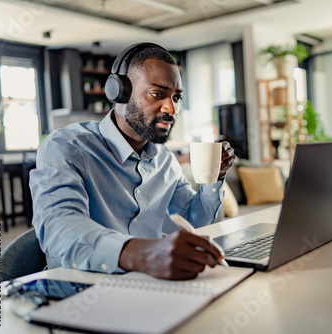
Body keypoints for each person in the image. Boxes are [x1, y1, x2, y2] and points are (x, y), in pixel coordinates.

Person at [29, 43, 235, 280]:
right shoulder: (67, 147)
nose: (172, 108)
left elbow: (193, 220)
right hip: (81, 293)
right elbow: (59, 228)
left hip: (147, 285)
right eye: (158, 94)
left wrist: (214, 178)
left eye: (176, 97)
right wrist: (143, 254)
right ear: (120, 92)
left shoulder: (165, 160)